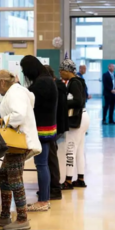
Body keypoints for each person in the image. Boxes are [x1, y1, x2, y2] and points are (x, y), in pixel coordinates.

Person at [0, 70, 41, 229]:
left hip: (19, 144)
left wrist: (0, 120)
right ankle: (5, 215)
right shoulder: (19, 91)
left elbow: (19, 115)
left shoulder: (14, 93)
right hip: (17, 143)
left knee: (14, 178)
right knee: (3, 175)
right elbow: (31, 100)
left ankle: (22, 218)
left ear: (3, 82)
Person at [21, 56, 58, 211]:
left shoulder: (41, 83)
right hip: (48, 128)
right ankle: (45, 198)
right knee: (44, 165)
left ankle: (43, 200)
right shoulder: (47, 79)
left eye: (24, 70)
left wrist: (18, 88)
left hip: (42, 130)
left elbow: (29, 99)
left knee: (41, 164)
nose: (24, 73)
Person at [59, 59, 90, 190]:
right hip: (84, 116)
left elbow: (78, 101)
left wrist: (62, 103)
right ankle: (80, 179)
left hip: (78, 118)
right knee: (79, 150)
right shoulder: (80, 81)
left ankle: (68, 181)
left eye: (61, 71)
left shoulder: (73, 83)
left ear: (67, 71)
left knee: (70, 150)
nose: (60, 73)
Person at [44, 64, 69, 200]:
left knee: (51, 157)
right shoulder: (59, 86)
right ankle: (53, 185)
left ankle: (54, 187)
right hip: (57, 126)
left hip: (53, 126)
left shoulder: (54, 88)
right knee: (51, 156)